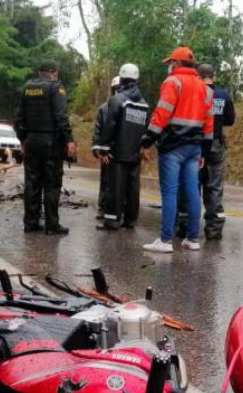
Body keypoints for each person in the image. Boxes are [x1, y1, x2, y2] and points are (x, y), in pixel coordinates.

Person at [140, 47, 213, 253]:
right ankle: (192, 239)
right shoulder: (206, 90)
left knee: (170, 192)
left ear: (179, 63)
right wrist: (204, 153)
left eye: (172, 62)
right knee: (192, 192)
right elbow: (209, 125)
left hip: (172, 147)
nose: (170, 66)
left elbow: (162, 113)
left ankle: (164, 240)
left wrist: (147, 140)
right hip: (194, 149)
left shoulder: (173, 82)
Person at [15, 59, 77, 236]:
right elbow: (61, 116)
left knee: (32, 183)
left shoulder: (26, 88)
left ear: (40, 72)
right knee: (51, 184)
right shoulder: (56, 87)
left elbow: (19, 120)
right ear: (53, 73)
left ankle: (31, 223)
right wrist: (69, 140)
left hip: (31, 141)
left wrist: (23, 141)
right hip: (50, 142)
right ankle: (51, 225)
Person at [176, 63, 235, 240]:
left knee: (190, 186)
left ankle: (185, 227)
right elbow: (230, 120)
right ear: (213, 76)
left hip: (195, 145)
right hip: (216, 146)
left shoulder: (194, 93)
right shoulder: (223, 95)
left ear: (198, 77)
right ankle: (214, 230)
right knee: (215, 188)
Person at [94, 64, 149, 231]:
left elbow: (110, 125)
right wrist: (144, 147)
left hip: (118, 153)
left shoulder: (117, 100)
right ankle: (130, 220)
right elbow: (146, 129)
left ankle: (111, 221)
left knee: (115, 188)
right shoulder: (144, 103)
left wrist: (104, 148)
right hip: (135, 153)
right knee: (132, 188)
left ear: (122, 78)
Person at [92, 76, 122, 220]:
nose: (117, 91)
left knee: (122, 182)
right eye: (115, 88)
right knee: (106, 180)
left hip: (123, 151)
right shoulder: (103, 109)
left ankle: (120, 209)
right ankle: (103, 208)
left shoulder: (128, 106)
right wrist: (99, 149)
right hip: (108, 150)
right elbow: (98, 130)